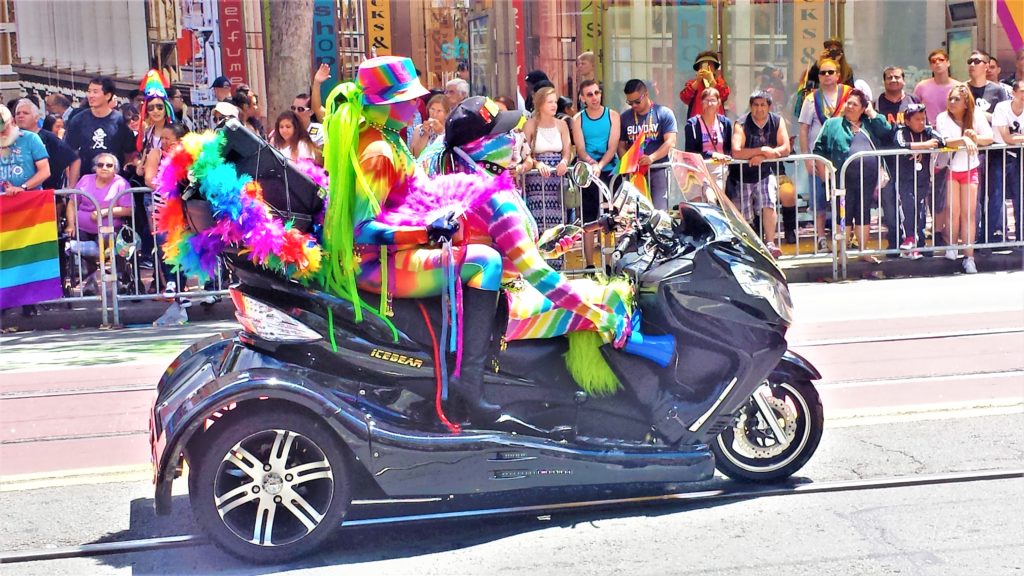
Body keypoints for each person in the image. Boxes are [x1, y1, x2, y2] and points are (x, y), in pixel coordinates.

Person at [319, 58, 622, 425]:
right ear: (384, 104)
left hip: (397, 253)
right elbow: (361, 229)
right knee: (484, 262)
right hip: (376, 264)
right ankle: (470, 382)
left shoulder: (389, 140)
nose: (415, 105)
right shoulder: (378, 151)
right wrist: (426, 232)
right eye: (406, 99)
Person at [813, 89, 891, 253]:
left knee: (863, 213)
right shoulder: (832, 124)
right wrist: (823, 174)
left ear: (863, 108)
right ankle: (841, 253)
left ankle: (862, 251)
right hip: (842, 180)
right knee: (843, 214)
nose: (849, 106)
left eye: (854, 104)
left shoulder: (870, 124)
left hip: (867, 180)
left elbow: (886, 130)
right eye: (848, 102)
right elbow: (819, 150)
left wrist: (872, 113)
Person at [935, 84, 993, 273]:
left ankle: (969, 257)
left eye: (956, 99)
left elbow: (989, 138)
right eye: (950, 99)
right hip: (951, 168)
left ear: (966, 103)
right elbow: (944, 141)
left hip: (970, 168)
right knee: (953, 210)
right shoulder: (942, 118)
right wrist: (964, 140)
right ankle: (952, 245)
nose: (952, 102)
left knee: (969, 213)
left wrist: (974, 136)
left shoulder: (976, 116)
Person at [799, 58, 853, 251]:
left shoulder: (849, 94)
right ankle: (821, 237)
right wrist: (807, 157)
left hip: (845, 156)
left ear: (838, 75)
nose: (827, 76)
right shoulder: (810, 99)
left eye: (831, 72)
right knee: (820, 199)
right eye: (823, 73)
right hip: (819, 158)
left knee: (847, 196)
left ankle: (847, 236)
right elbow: (804, 129)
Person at [730, 90, 790, 258]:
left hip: (764, 172)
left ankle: (770, 243)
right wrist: (761, 150)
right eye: (755, 105)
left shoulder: (777, 121)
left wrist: (762, 156)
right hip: (742, 176)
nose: (759, 109)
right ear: (751, 107)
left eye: (763, 105)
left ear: (769, 107)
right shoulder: (741, 123)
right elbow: (736, 152)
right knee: (744, 213)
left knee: (768, 202)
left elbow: (785, 148)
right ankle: (748, 245)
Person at [572, 79, 620, 266]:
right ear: (583, 98)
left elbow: (613, 146)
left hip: (610, 172)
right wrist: (592, 164)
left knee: (610, 219)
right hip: (588, 174)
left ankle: (609, 263)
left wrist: (600, 165)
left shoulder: (612, 116)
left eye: (597, 93)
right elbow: (581, 149)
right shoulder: (578, 119)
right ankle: (590, 264)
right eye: (590, 94)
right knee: (589, 219)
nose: (594, 98)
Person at [914, 49, 958, 247]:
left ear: (948, 62)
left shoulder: (958, 87)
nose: (938, 63)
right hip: (928, 145)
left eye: (941, 60)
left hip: (954, 145)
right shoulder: (922, 87)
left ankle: (942, 232)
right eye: (933, 61)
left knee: (946, 192)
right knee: (928, 190)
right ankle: (927, 230)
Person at [523, 86, 574, 254]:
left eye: (555, 102)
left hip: (556, 177)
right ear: (540, 104)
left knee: (558, 220)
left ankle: (558, 261)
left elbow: (567, 149)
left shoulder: (562, 125)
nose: (554, 105)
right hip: (537, 180)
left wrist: (564, 162)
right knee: (538, 220)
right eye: (549, 102)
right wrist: (537, 164)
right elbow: (526, 153)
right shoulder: (530, 124)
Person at [875, 66, 920, 253]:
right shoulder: (877, 103)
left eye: (897, 77)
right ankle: (894, 240)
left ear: (903, 80)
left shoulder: (912, 101)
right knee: (889, 202)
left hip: (909, 161)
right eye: (889, 77)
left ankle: (916, 240)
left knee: (912, 202)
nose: (893, 80)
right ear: (884, 81)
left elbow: (922, 125)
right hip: (886, 162)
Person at [63, 153, 130, 276]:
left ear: (115, 169)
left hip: (109, 230)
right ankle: (90, 280)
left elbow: (129, 209)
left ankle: (119, 279)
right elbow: (72, 203)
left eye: (109, 165)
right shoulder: (85, 179)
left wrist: (104, 213)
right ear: (95, 168)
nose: (104, 167)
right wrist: (70, 225)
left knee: (108, 238)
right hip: (82, 228)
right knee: (76, 238)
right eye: (100, 165)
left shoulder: (121, 183)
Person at [62, 76, 135, 187]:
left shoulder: (120, 121)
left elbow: (128, 153)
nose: (90, 95)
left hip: (114, 183)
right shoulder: (78, 120)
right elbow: (72, 154)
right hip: (86, 182)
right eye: (89, 91)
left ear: (108, 95)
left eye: (95, 92)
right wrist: (72, 186)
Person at [894, 103, 945, 259]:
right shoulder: (901, 131)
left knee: (921, 212)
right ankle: (909, 238)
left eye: (923, 119)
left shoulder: (929, 131)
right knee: (908, 208)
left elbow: (941, 141)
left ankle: (920, 245)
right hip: (905, 179)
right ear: (908, 121)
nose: (921, 123)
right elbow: (900, 144)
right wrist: (923, 146)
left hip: (923, 179)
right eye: (917, 119)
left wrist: (925, 144)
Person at [618, 79, 678, 211]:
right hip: (635, 174)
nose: (633, 105)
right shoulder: (625, 117)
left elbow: (670, 142)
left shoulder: (664, 113)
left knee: (658, 211)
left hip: (658, 170)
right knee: (636, 214)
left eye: (637, 102)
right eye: (630, 102)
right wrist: (628, 162)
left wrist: (651, 158)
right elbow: (621, 145)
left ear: (645, 94)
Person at [14, 98, 78, 191]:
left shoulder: (49, 138)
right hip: (16, 192)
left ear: (36, 118)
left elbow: (74, 159)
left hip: (46, 193)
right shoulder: (11, 139)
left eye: (25, 113)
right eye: (18, 113)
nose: (21, 116)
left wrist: (71, 187)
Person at [991, 80, 1024, 246]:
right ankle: (989, 238)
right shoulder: (1002, 107)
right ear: (1014, 93)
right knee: (996, 197)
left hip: (1020, 155)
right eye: (1022, 92)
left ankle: (1020, 239)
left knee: (1020, 197)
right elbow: (1007, 138)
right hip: (998, 153)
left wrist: (1016, 140)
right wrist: (1015, 139)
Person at [683, 87, 733, 191]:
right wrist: (712, 154)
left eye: (713, 100)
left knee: (714, 198)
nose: (710, 104)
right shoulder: (692, 125)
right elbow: (690, 153)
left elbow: (729, 148)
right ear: (701, 103)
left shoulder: (725, 123)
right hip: (699, 169)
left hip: (720, 169)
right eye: (707, 101)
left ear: (719, 103)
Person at [0, 104, 50, 194]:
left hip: (30, 198)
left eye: (4, 130)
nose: (2, 134)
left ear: (13, 122)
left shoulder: (31, 138)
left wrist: (23, 187)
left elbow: (45, 171)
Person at [678, 51, 730, 120]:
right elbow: (684, 97)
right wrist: (697, 81)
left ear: (715, 69)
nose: (707, 67)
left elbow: (724, 95)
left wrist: (712, 81)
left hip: (717, 124)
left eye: (710, 64)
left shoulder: (720, 82)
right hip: (697, 125)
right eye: (704, 65)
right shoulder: (692, 83)